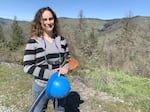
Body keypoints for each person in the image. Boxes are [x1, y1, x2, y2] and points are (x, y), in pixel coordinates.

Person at [23, 7, 70, 112]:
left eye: (51, 19)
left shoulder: (62, 40)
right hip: (41, 87)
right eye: (45, 19)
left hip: (59, 84)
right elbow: (27, 67)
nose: (48, 22)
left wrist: (66, 68)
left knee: (60, 110)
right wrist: (50, 74)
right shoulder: (33, 42)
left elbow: (67, 59)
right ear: (39, 22)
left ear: (54, 20)